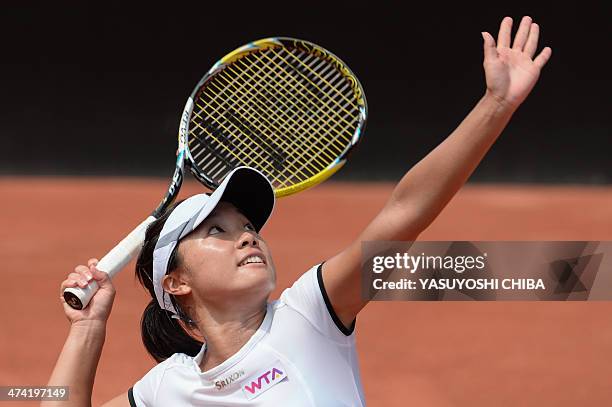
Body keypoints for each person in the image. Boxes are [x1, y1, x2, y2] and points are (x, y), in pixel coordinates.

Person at [45, 16, 552, 406]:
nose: (247, 237)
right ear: (176, 282)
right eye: (217, 231)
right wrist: (87, 329)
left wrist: (496, 105)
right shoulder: (166, 388)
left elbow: (405, 212)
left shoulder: (309, 315)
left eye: (247, 226)